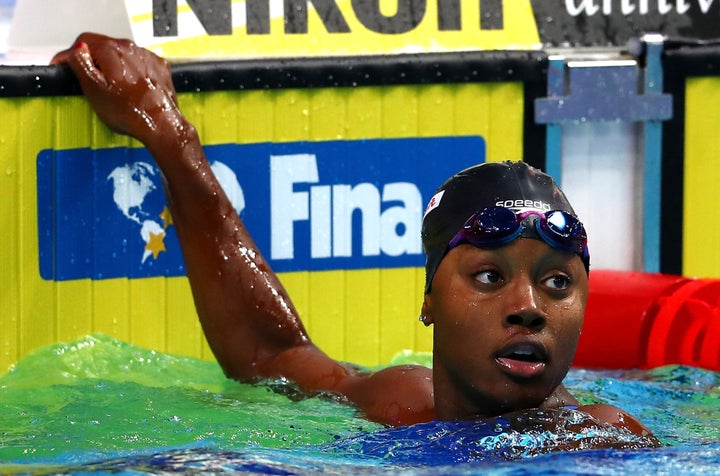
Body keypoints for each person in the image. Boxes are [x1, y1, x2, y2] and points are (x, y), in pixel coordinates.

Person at [51, 33, 659, 443]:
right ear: (428, 301)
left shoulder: (605, 443)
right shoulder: (400, 403)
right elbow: (270, 357)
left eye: (558, 282)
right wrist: (169, 137)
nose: (528, 307)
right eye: (489, 277)